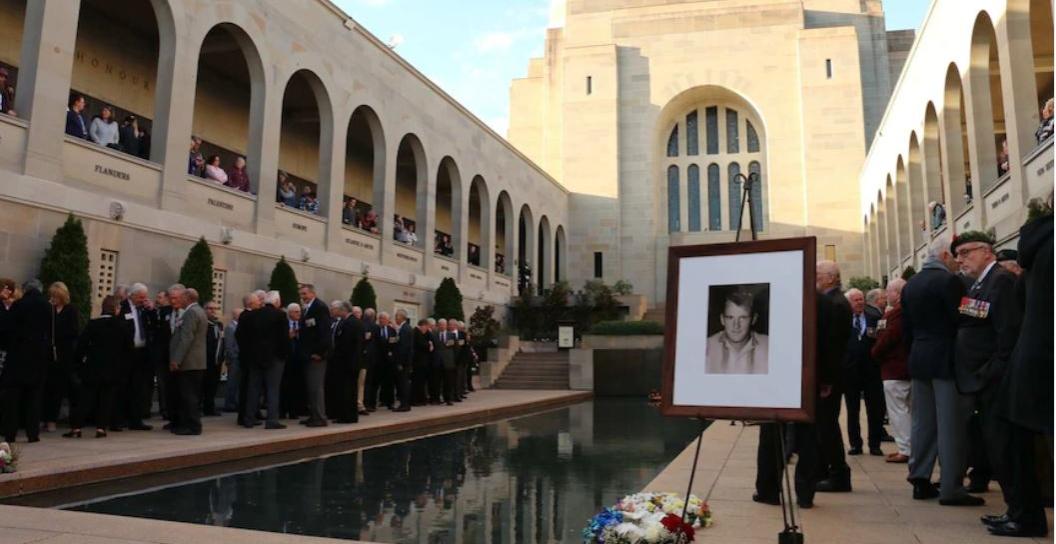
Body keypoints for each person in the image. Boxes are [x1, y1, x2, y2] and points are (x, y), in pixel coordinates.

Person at [986, 201, 1052, 537]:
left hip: (1030, 358)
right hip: (1040, 358)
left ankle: (1025, 514)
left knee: (1017, 442)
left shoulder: (1038, 248)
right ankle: (1024, 514)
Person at [902, 236, 979, 505]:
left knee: (922, 422)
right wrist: (985, 305)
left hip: (919, 357)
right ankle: (951, 487)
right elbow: (963, 315)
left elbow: (907, 327)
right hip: (945, 358)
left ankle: (920, 478)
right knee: (950, 425)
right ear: (944, 255)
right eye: (954, 256)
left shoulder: (911, 284)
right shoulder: (949, 281)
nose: (958, 262)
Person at [952, 231, 1020, 500]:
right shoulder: (979, 283)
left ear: (986, 250)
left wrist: (990, 372)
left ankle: (1021, 512)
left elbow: (1007, 332)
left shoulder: (1000, 280)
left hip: (994, 378)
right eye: (958, 255)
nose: (960, 260)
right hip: (980, 377)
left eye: (966, 253)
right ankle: (1013, 508)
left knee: (1005, 447)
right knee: (994, 445)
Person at [755, 290, 833, 508]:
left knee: (771, 433)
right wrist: (826, 378)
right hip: (809, 375)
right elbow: (829, 343)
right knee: (809, 435)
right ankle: (805, 494)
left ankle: (768, 490)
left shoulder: (765, 295)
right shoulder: (820, 300)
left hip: (774, 374)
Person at [63, 296, 131, 439]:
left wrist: (79, 363)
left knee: (85, 398)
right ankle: (101, 428)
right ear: (116, 309)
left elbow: (81, 345)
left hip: (93, 367)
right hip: (113, 369)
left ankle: (76, 427)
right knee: (106, 399)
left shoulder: (93, 324)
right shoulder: (122, 326)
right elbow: (128, 349)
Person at [814, 260, 853, 493]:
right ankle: (827, 471)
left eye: (817, 274)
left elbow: (832, 346)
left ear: (830, 277)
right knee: (824, 425)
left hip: (832, 375)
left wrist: (826, 379)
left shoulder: (834, 303)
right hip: (832, 374)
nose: (814, 278)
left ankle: (838, 474)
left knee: (827, 425)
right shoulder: (835, 301)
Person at [0, 280, 52, 443]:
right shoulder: (46, 307)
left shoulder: (18, 305)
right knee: (34, 399)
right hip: (38, 357)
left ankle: (10, 433)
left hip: (17, 356)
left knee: (13, 399)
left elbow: (7, 329)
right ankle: (33, 433)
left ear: (25, 290)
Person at [871, 279, 911, 463]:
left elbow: (888, 338)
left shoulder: (898, 314)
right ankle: (907, 447)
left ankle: (906, 449)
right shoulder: (899, 312)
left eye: (888, 292)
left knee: (899, 412)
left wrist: (875, 352)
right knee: (905, 411)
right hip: (899, 368)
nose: (886, 296)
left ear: (898, 293)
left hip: (895, 368)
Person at [842, 288, 885, 456]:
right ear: (848, 303)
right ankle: (855, 444)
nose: (860, 302)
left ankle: (875, 444)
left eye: (861, 299)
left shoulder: (875, 317)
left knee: (874, 409)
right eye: (856, 300)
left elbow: (882, 338)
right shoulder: (843, 319)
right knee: (853, 411)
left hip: (871, 371)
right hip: (850, 372)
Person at [242, 291, 289, 429]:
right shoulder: (280, 315)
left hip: (255, 358)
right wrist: (283, 355)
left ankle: (249, 419)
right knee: (273, 389)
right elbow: (284, 339)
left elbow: (247, 337)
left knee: (253, 388)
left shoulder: (254, 314)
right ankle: (272, 420)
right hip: (274, 358)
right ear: (276, 302)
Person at [168, 285, 208, 436]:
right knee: (191, 395)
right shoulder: (199, 311)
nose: (180, 300)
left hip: (189, 362)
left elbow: (186, 338)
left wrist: (176, 359)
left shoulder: (191, 313)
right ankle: (189, 424)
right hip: (197, 362)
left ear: (188, 298)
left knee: (188, 395)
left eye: (182, 297)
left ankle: (192, 426)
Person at [41, 282, 79, 433]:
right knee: (45, 388)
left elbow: (74, 331)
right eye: (52, 296)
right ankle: (43, 417)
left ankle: (51, 419)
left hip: (64, 354)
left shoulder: (70, 310)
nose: (53, 299)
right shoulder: (48, 309)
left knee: (57, 389)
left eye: (56, 296)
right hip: (48, 353)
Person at [704, 288, 769, 375]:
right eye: (730, 317)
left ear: (754, 319)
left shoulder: (769, 346)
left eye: (743, 318)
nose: (736, 325)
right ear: (722, 319)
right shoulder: (707, 347)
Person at [120, 283, 156, 431]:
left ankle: (136, 420)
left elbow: (154, 325)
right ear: (132, 295)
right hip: (126, 353)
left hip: (141, 353)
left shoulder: (144, 309)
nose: (144, 299)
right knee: (123, 387)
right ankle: (120, 418)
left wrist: (152, 311)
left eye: (145, 297)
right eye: (141, 297)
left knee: (138, 388)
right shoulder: (122, 307)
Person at [299, 284, 331, 427]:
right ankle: (313, 415)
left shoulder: (320, 307)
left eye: (305, 294)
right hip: (308, 354)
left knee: (316, 387)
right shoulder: (307, 308)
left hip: (316, 355)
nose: (303, 296)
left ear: (312, 293)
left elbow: (324, 333)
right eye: (301, 294)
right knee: (310, 387)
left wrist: (320, 353)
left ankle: (320, 417)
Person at [328, 300, 361, 424]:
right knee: (351, 390)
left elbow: (346, 345)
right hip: (352, 362)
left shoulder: (350, 323)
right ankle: (350, 415)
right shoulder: (354, 322)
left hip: (347, 363)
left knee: (346, 391)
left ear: (344, 310)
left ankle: (346, 416)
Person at [281, 303, 307, 420]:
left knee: (296, 386)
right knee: (284, 385)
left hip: (299, 359)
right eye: (296, 312)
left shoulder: (302, 324)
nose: (299, 314)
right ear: (290, 313)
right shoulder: (284, 324)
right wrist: (288, 336)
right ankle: (282, 410)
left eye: (299, 312)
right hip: (286, 359)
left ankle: (294, 411)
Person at [201, 301, 224, 417]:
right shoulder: (203, 324)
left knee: (212, 385)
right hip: (205, 360)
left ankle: (209, 408)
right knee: (202, 385)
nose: (213, 310)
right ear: (204, 309)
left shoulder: (219, 325)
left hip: (216, 361)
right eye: (210, 308)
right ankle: (199, 408)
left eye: (216, 308)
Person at [371, 311, 398, 410]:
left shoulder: (391, 330)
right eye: (381, 318)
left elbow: (394, 343)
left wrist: (391, 354)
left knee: (389, 383)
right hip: (378, 360)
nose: (383, 320)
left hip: (389, 360)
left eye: (385, 319)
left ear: (388, 320)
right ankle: (372, 403)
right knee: (375, 383)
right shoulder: (375, 329)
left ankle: (389, 402)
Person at [222, 308, 242, 413]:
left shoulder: (239, 327)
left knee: (237, 382)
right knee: (232, 382)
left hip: (239, 359)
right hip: (234, 359)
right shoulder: (230, 327)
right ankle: (229, 404)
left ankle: (235, 403)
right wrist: (232, 357)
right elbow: (229, 345)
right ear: (235, 315)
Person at [393, 309, 413, 412]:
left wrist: (400, 362)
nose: (395, 318)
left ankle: (404, 404)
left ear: (401, 317)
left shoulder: (405, 329)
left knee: (403, 383)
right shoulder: (405, 328)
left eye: (396, 316)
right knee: (403, 383)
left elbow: (404, 347)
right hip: (405, 361)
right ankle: (404, 403)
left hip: (403, 362)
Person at [359, 308, 378, 414]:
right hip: (372, 358)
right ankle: (369, 403)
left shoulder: (360, 324)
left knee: (362, 383)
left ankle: (362, 402)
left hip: (362, 357)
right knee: (369, 382)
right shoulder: (375, 327)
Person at [436, 318, 458, 405]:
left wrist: (454, 360)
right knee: (437, 381)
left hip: (448, 362)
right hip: (437, 362)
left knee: (448, 382)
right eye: (440, 324)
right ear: (438, 325)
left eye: (443, 325)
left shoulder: (451, 335)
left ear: (446, 326)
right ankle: (437, 398)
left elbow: (456, 348)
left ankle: (448, 399)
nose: (442, 326)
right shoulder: (434, 334)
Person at [411, 318, 432, 406]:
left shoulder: (422, 333)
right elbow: (421, 344)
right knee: (417, 382)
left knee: (421, 382)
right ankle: (416, 400)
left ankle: (421, 399)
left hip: (422, 362)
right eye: (426, 327)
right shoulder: (416, 333)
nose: (427, 329)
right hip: (418, 362)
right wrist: (429, 345)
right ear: (423, 326)